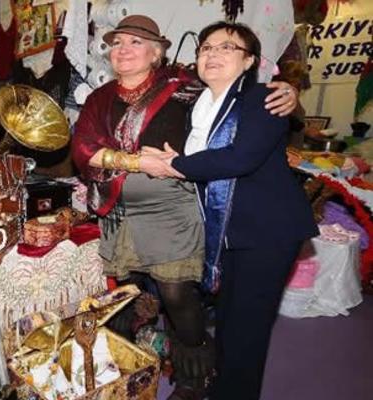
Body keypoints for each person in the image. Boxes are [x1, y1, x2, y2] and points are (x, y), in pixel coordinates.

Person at [71, 15, 298, 400]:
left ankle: (195, 376)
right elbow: (82, 150)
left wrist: (290, 92)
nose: (124, 50)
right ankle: (131, 368)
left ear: (156, 53)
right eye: (117, 43)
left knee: (177, 294)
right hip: (118, 209)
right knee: (124, 296)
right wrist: (136, 162)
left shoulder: (184, 87)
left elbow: (240, 101)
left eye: (136, 42)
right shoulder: (99, 98)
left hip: (175, 208)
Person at [141, 22, 318, 400]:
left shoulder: (263, 98)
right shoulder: (198, 106)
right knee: (228, 324)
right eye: (206, 48)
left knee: (246, 331)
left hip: (267, 231)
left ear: (250, 61)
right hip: (229, 234)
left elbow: (241, 158)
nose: (213, 54)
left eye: (226, 47)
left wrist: (176, 165)